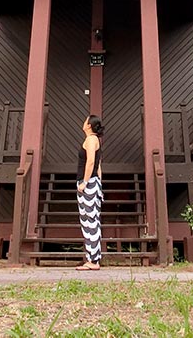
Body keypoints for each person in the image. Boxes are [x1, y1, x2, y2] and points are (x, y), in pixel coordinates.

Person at [76, 114, 103, 270]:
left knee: (89, 220)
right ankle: (93, 258)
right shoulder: (94, 140)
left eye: (85, 120)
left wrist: (85, 182)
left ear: (89, 125)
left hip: (88, 182)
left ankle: (92, 260)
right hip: (94, 182)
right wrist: (99, 182)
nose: (83, 121)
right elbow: (99, 166)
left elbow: (92, 161)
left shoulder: (91, 140)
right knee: (92, 219)